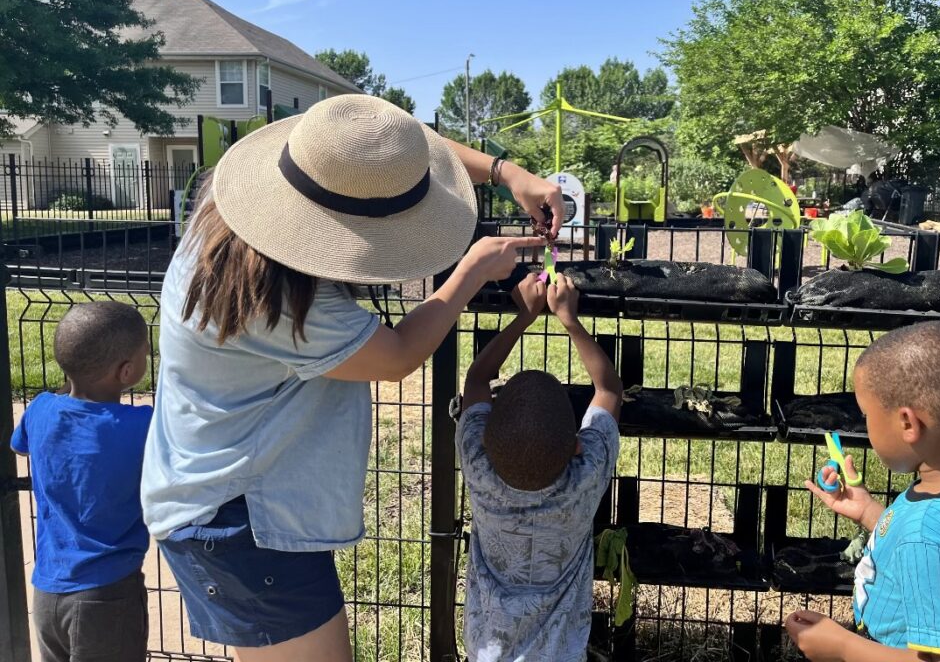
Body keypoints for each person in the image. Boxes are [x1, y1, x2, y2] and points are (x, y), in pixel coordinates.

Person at [141, 94, 564, 661]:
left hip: (212, 497)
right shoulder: (280, 299)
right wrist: (469, 272)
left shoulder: (224, 217)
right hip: (243, 519)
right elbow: (394, 357)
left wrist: (505, 172)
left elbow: (375, 153)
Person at [785, 322, 940, 662]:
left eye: (867, 415)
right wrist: (867, 511)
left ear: (908, 423)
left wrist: (841, 647)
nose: (867, 425)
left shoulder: (928, 539)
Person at [456, 274, 623, 662]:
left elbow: (477, 378)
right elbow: (610, 390)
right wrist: (569, 319)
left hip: (486, 651)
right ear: (577, 446)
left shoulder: (478, 468)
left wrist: (523, 316)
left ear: (483, 439)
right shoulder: (585, 477)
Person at [11, 302, 153, 662]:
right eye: (145, 353)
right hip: (108, 594)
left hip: (47, 594)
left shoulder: (40, 409)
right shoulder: (140, 426)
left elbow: (21, 446)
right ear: (126, 371)